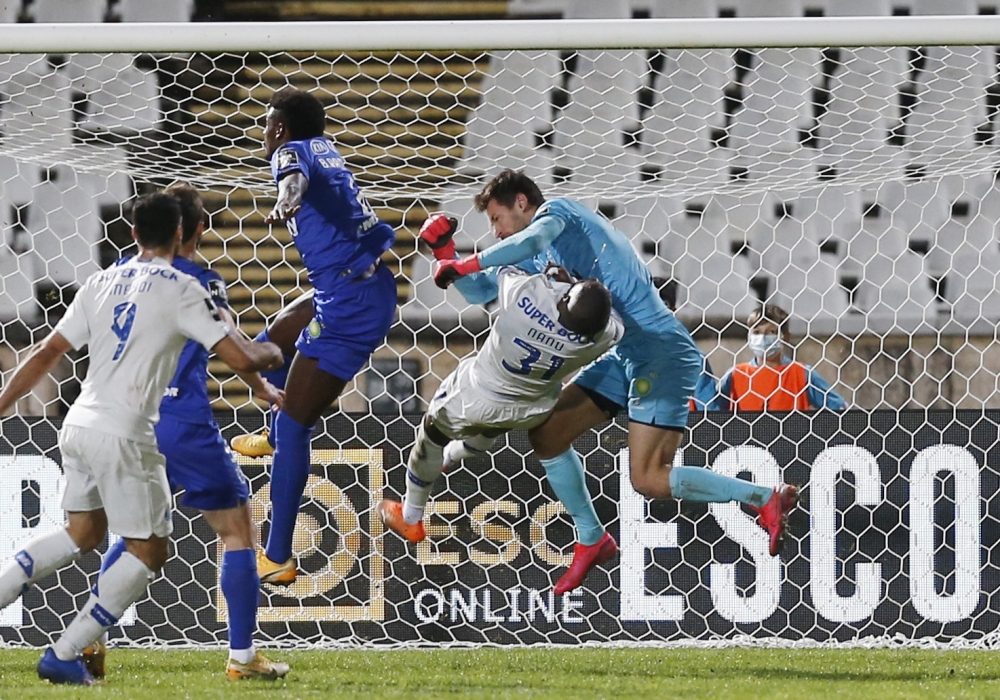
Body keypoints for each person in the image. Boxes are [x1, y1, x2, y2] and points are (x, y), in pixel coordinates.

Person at [429, 170, 799, 568]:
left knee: (650, 479)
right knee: (547, 433)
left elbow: (530, 238)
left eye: (497, 219)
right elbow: (483, 291)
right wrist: (445, 253)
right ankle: (592, 538)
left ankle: (763, 497)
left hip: (661, 353)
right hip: (624, 357)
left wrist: (466, 262)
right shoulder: (533, 258)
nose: (497, 232)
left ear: (521, 202)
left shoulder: (559, 214)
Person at [0, 193, 284, 686]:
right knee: (158, 547)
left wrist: (1, 406)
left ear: (132, 234)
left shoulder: (99, 280)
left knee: (84, 534)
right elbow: (238, 354)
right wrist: (272, 354)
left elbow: (47, 352)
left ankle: (82, 638)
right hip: (138, 428)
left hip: (79, 423)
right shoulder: (187, 286)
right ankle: (68, 650)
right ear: (182, 234)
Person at [84, 184, 289, 681]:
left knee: (136, 533)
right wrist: (263, 376)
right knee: (237, 531)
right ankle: (242, 658)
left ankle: (89, 635)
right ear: (195, 229)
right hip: (183, 420)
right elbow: (230, 345)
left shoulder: (115, 277)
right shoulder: (199, 280)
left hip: (127, 418)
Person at [228, 87, 398, 587]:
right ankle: (272, 433)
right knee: (274, 341)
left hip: (350, 304)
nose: (264, 133)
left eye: (266, 124)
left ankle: (277, 556)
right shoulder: (323, 145)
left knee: (298, 424)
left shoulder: (289, 153)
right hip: (354, 284)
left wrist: (285, 201)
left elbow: (293, 180)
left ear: (279, 129)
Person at [378, 259, 624, 594]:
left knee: (430, 436)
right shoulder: (599, 340)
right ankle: (452, 457)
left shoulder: (526, 299)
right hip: (531, 410)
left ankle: (410, 514)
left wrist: (556, 277)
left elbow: (506, 269)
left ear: (564, 302)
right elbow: (614, 324)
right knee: (490, 428)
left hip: (476, 395)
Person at [712, 304, 847, 411]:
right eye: (757, 332)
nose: (763, 338)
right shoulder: (736, 375)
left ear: (785, 337)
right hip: (746, 445)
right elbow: (711, 411)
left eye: (771, 332)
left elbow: (839, 408)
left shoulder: (801, 373)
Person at [651, 276, 717, 410]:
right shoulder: (622, 357)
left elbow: (711, 415)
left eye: (663, 307)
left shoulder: (693, 359)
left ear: (673, 311)